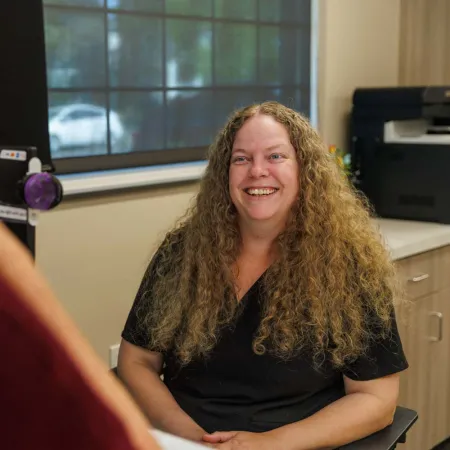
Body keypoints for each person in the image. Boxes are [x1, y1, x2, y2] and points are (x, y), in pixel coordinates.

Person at [118, 101, 409, 450]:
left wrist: (267, 444)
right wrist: (190, 436)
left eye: (275, 157)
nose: (257, 171)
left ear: (304, 169)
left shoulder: (348, 265)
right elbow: (137, 361)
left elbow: (376, 400)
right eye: (241, 158)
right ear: (225, 173)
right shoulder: (182, 252)